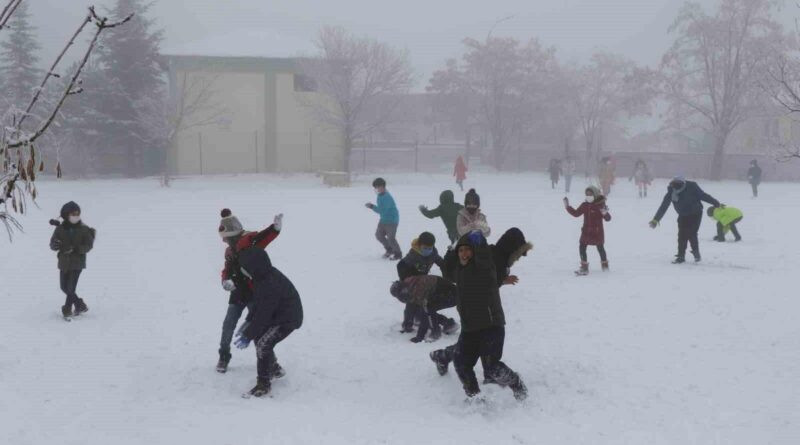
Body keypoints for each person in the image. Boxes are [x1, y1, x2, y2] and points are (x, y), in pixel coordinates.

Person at [428, 233, 527, 401]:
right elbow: (448, 270)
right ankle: (474, 397)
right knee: (461, 362)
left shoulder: (484, 267)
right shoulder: (459, 271)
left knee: (492, 368)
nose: (464, 254)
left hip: (491, 325)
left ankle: (516, 383)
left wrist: (478, 240)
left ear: (475, 252)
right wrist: (451, 250)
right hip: (470, 327)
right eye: (461, 251)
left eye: (468, 250)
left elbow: (484, 256)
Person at [216, 208, 283, 374]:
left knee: (258, 328)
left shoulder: (250, 241)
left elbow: (264, 237)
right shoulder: (229, 251)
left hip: (255, 294)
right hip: (238, 294)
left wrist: (274, 228)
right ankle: (224, 356)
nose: (224, 242)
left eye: (226, 239)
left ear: (232, 235)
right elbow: (227, 269)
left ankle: (272, 363)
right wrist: (225, 280)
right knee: (228, 325)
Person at [232, 245, 303, 398]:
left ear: (254, 266)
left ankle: (263, 384)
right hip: (277, 315)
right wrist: (248, 321)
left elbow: (264, 314)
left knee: (263, 344)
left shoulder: (270, 283)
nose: (243, 270)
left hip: (287, 319)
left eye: (245, 267)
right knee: (260, 338)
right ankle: (274, 368)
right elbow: (258, 304)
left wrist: (248, 334)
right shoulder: (261, 277)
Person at [650, 176, 721, 264]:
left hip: (696, 213)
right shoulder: (671, 191)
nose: (676, 188)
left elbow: (703, 196)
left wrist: (716, 203)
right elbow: (664, 206)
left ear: (683, 183)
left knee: (692, 233)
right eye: (674, 185)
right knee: (682, 235)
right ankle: (681, 256)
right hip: (683, 214)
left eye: (678, 185)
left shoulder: (692, 186)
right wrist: (656, 220)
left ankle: (696, 253)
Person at [396, 232, 451, 337]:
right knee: (411, 304)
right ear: (419, 245)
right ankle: (407, 324)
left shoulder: (433, 254)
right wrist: (405, 280)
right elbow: (400, 265)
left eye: (430, 248)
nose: (428, 250)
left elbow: (442, 263)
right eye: (425, 248)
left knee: (424, 307)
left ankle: (447, 323)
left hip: (424, 284)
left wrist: (447, 275)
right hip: (412, 284)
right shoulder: (413, 255)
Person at [49, 201, 95, 320]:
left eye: (77, 213)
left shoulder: (84, 229)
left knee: (70, 288)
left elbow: (89, 245)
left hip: (77, 262)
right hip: (63, 262)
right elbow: (52, 243)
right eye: (73, 213)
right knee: (63, 287)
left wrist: (76, 249)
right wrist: (55, 245)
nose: (76, 216)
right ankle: (80, 305)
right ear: (66, 215)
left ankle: (67, 309)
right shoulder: (60, 229)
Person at [390, 275, 459, 343]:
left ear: (404, 290)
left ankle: (435, 332)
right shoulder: (409, 287)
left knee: (428, 309)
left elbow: (425, 313)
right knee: (421, 309)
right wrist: (407, 326)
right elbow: (410, 307)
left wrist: (419, 337)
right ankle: (449, 324)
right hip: (439, 292)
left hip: (452, 295)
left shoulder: (418, 289)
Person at [564, 186, 611, 275]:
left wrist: (605, 213)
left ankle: (605, 266)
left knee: (600, 248)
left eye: (590, 194)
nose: (588, 196)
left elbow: (608, 219)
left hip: (597, 232)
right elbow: (576, 213)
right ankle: (584, 267)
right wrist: (567, 207)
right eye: (587, 194)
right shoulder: (584, 205)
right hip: (586, 232)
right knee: (582, 247)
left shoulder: (600, 205)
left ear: (595, 194)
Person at [365, 177, 402, 260]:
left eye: (378, 187)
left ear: (383, 186)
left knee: (391, 238)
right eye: (376, 187)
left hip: (392, 220)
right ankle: (390, 249)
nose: (377, 189)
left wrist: (371, 206)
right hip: (383, 220)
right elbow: (381, 210)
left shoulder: (387, 197)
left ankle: (398, 253)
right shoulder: (380, 195)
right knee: (379, 235)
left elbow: (382, 211)